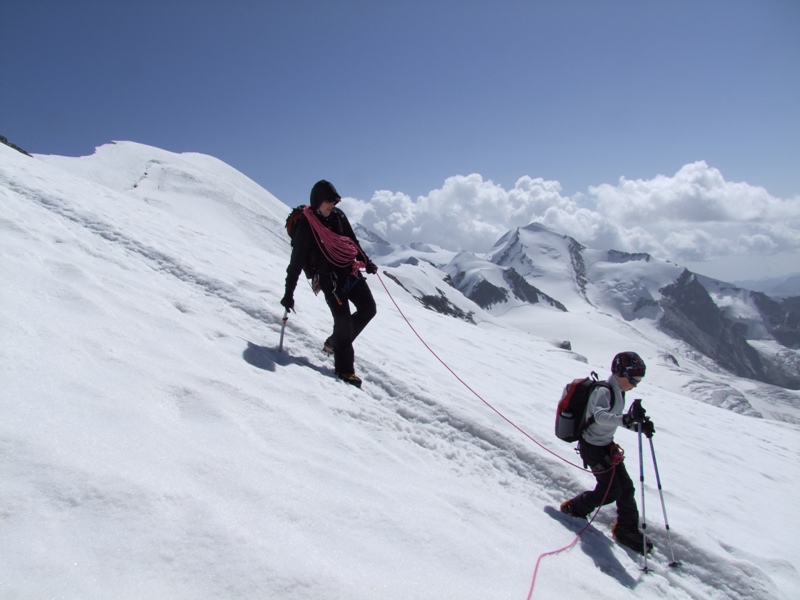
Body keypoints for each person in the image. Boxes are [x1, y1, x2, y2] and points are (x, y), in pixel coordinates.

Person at [280, 180, 378, 388]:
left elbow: (352, 241)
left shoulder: (338, 216)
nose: (332, 205)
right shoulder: (307, 225)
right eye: (328, 201)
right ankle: (345, 370)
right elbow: (296, 263)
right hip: (329, 279)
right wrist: (289, 293)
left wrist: (367, 262)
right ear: (317, 201)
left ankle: (334, 342)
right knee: (343, 321)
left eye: (334, 201)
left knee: (369, 309)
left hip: (349, 270)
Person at [560, 351, 656, 554]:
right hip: (593, 448)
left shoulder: (619, 391)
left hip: (604, 446)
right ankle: (574, 508)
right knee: (611, 490)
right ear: (620, 373)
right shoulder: (604, 391)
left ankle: (626, 529)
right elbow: (601, 416)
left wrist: (637, 426)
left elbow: (611, 419)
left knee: (626, 488)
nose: (635, 384)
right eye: (633, 379)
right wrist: (626, 420)